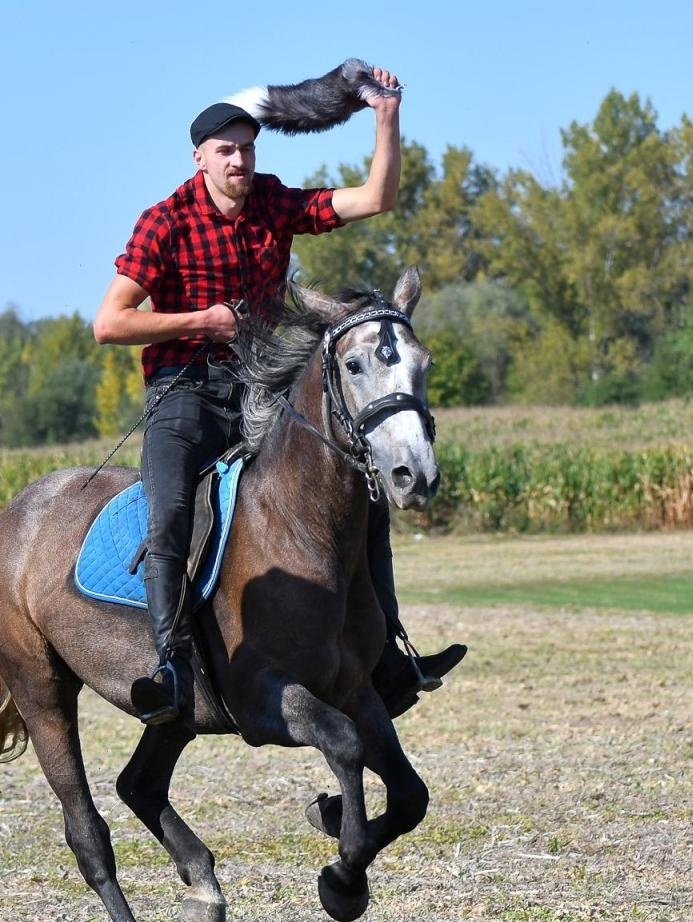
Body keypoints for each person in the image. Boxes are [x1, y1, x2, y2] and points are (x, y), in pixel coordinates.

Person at [94, 70, 466, 727]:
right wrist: (195, 321)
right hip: (184, 392)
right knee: (171, 513)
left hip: (262, 391)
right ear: (200, 157)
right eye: (226, 151)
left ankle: (387, 656)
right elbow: (110, 323)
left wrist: (385, 117)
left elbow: (376, 198)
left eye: (248, 149)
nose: (240, 161)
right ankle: (170, 666)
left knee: (362, 493)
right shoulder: (165, 222)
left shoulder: (274, 202)